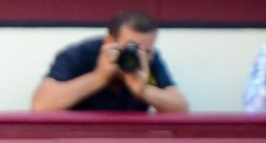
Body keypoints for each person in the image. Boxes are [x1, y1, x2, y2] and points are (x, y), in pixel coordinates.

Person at [31, 10, 188, 113]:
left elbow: (181, 109)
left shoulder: (149, 58)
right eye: (130, 48)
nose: (137, 56)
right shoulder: (79, 55)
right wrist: (99, 78)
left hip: (130, 142)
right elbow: (41, 106)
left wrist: (144, 91)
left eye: (146, 50)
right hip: (80, 141)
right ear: (109, 42)